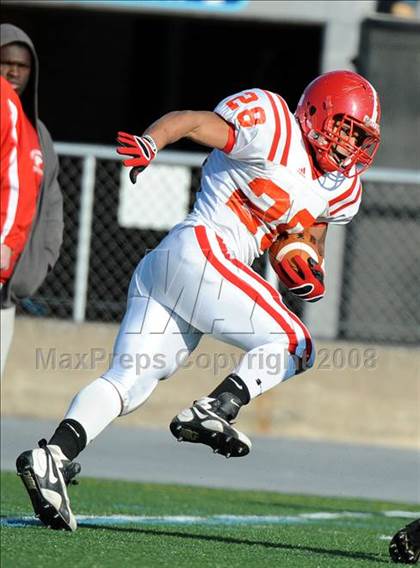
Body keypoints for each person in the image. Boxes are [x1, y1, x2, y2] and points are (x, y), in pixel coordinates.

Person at [16, 70, 381, 532]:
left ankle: (53, 455)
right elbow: (190, 120)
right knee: (297, 343)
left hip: (174, 268)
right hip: (205, 247)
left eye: (360, 137)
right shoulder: (271, 122)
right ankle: (216, 408)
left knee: (130, 381)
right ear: (314, 112)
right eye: (345, 128)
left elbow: (306, 235)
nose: (350, 145)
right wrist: (152, 143)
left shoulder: (339, 187)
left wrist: (305, 263)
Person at [0, 23, 63, 379]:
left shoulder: (38, 134)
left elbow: (52, 203)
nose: (12, 71)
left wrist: (43, 259)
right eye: (4, 63)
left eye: (21, 66)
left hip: (9, 290)